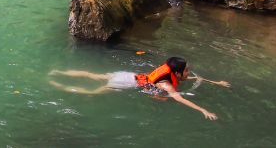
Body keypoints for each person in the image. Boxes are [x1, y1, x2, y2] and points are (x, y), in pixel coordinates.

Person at [49, 57, 230, 120]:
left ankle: (58, 72)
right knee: (94, 92)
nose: (189, 72)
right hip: (127, 83)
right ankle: (59, 85)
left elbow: (193, 77)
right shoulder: (166, 83)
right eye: (186, 69)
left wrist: (217, 83)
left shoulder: (170, 74)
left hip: (129, 75)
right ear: (177, 71)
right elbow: (179, 98)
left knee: (92, 75)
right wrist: (203, 110)